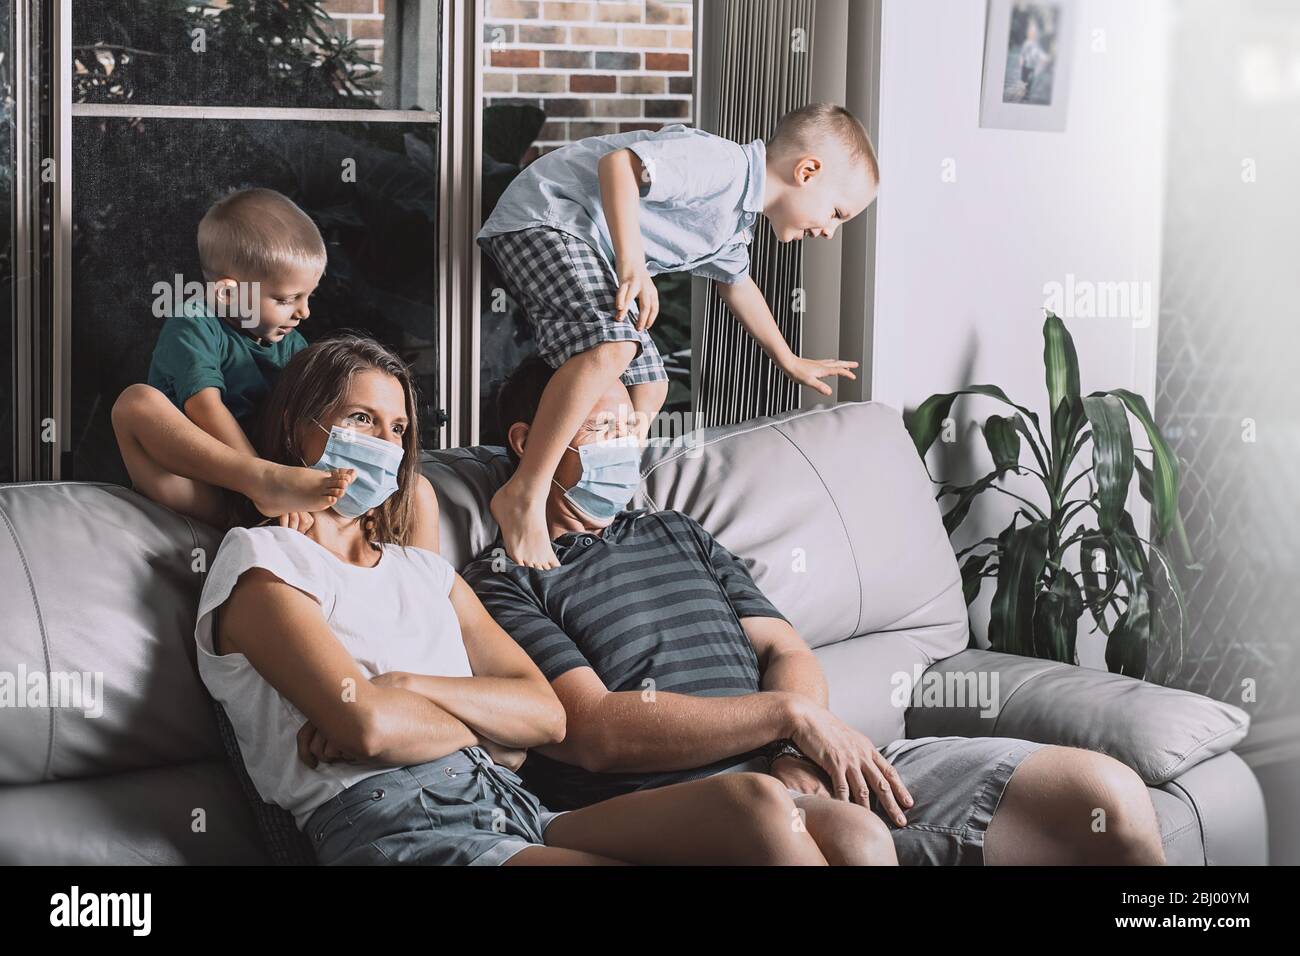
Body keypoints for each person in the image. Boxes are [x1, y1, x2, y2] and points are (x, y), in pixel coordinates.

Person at [462, 357, 1170, 866]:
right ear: (531, 442)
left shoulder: (676, 531)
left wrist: (795, 747)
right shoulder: (501, 582)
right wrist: (786, 724)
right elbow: (594, 732)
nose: (625, 446)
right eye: (599, 429)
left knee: (1105, 796)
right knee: (854, 843)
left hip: (815, 759)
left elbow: (789, 653)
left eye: (629, 427)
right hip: (688, 800)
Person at [195, 336, 837, 866]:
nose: (383, 444)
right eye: (360, 419)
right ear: (294, 427)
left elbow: (545, 720)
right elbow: (367, 726)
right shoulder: (260, 561)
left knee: (755, 808)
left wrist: (407, 688)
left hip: (513, 803)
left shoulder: (425, 570)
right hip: (399, 823)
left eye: (397, 429)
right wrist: (483, 730)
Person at [477, 103, 874, 569]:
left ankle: (608, 483)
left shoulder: (732, 229)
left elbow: (738, 286)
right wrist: (632, 262)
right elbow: (619, 166)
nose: (829, 231)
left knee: (652, 385)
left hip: (587, 247)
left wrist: (788, 358)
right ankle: (526, 491)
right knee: (613, 346)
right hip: (548, 218)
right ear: (808, 171)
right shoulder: (721, 166)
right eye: (837, 213)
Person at [111, 187, 439, 547]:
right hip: (203, 478)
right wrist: (262, 480)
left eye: (307, 296)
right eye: (285, 299)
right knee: (135, 402)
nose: (303, 312)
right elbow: (204, 407)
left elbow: (305, 421)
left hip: (273, 490)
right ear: (227, 294)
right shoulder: (194, 323)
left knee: (412, 490)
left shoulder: (290, 344)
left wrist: (353, 496)